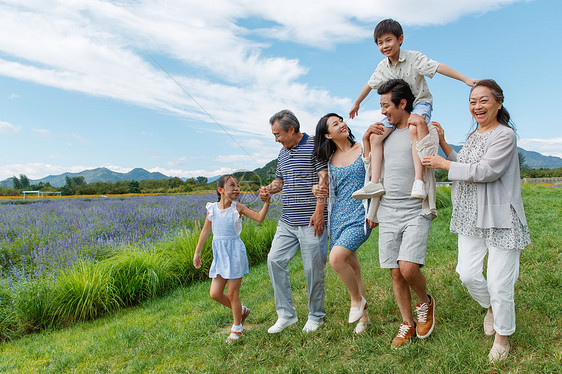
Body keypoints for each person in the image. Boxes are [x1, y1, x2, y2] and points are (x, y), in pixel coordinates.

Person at [422, 79, 531, 363]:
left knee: (499, 282)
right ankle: (492, 308)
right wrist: (445, 144)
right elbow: (466, 163)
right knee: (467, 273)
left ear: (499, 102)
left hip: (500, 216)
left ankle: (503, 337)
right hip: (470, 215)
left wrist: (445, 165)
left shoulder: (505, 135)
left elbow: (487, 170)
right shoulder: (473, 136)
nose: (477, 106)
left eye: (483, 100)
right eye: (473, 101)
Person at [349, 18, 478, 201]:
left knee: (413, 126)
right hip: (397, 109)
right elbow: (369, 85)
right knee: (375, 136)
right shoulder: (382, 67)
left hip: (419, 103)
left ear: (400, 39)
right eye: (380, 42)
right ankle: (375, 181)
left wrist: (464, 79)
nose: (385, 45)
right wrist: (357, 103)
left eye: (388, 40)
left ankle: (419, 181)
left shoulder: (414, 58)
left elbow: (438, 67)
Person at [368, 79, 438, 349]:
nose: (383, 111)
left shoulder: (421, 127)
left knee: (408, 268)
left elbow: (430, 155)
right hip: (388, 210)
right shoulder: (382, 134)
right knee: (395, 273)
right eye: (381, 105)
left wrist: (421, 129)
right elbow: (370, 167)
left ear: (403, 103)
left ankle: (425, 302)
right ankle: (407, 322)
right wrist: (367, 139)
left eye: (386, 105)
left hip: (415, 210)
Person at [259, 109, 329, 334]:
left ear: (291, 129)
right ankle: (286, 315)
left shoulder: (314, 146)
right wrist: (268, 190)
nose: (276, 139)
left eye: (278, 134)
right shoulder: (282, 153)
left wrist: (319, 212)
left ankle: (316, 315)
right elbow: (280, 182)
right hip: (287, 220)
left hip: (311, 221)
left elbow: (323, 179)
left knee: (312, 269)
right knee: (274, 260)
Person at [312, 113, 372, 334]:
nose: (342, 125)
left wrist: (374, 211)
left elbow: (376, 179)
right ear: (328, 135)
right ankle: (364, 319)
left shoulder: (364, 148)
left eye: (342, 121)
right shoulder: (329, 160)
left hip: (360, 215)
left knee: (336, 259)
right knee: (353, 268)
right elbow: (322, 187)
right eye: (335, 124)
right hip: (337, 218)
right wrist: (315, 189)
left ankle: (357, 301)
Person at [193, 174, 270, 342]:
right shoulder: (212, 208)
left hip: (235, 253)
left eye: (237, 185)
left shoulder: (238, 208)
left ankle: (237, 328)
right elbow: (205, 231)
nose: (237, 188)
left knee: (232, 293)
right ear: (221, 190)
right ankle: (242, 311)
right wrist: (197, 252)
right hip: (220, 255)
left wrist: (267, 203)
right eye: (232, 185)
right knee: (215, 293)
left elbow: (259, 218)